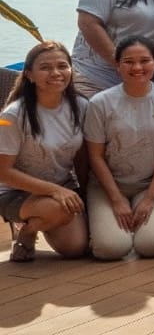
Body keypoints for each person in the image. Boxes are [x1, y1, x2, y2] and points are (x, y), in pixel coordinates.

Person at [84, 36, 154, 260]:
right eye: (128, 61)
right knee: (111, 249)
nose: (137, 67)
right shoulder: (100, 102)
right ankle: (101, 225)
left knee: (152, 245)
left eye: (144, 61)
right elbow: (96, 156)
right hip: (107, 185)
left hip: (151, 184)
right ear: (117, 65)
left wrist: (150, 198)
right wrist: (117, 200)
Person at [0, 42, 88, 261]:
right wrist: (55, 191)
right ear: (29, 74)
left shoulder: (81, 106)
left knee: (75, 248)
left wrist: (84, 192)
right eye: (46, 67)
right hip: (15, 192)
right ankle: (27, 231)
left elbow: (82, 158)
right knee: (61, 209)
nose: (56, 73)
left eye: (62, 66)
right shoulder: (12, 116)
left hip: (61, 189)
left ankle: (33, 226)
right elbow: (3, 172)